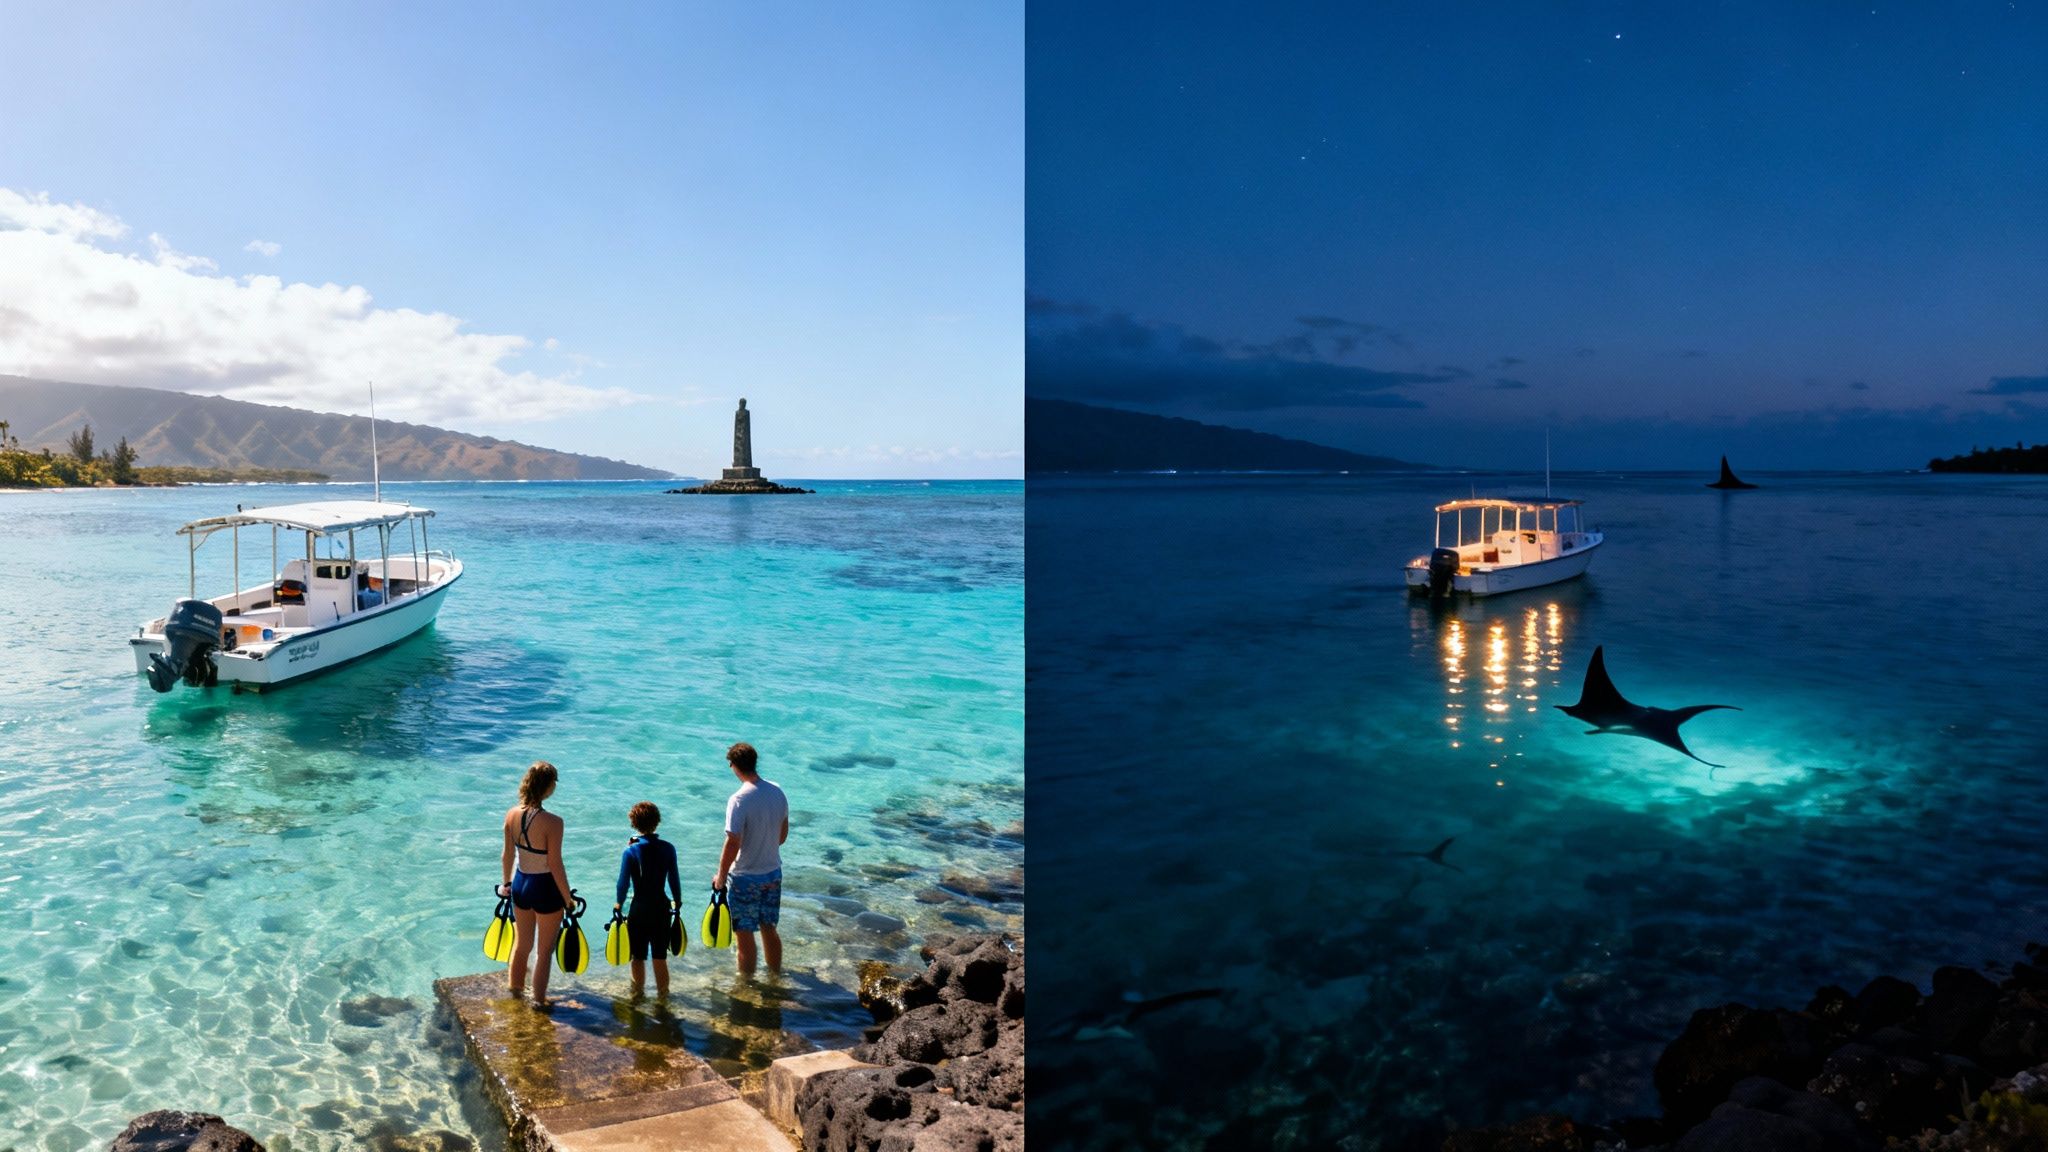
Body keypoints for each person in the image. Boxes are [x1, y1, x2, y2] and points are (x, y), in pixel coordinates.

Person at [499, 761, 573, 1007]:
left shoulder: (511, 815)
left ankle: (515, 991)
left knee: (522, 945)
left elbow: (507, 855)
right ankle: (539, 1001)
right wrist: (568, 899)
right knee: (544, 952)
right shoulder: (554, 822)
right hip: (545, 888)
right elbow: (554, 863)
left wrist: (506, 884)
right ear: (548, 787)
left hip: (520, 884)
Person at [713, 742, 789, 977]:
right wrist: (764, 846)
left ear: (733, 765)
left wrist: (721, 877)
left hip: (746, 877)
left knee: (744, 935)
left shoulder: (738, 799)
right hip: (773, 873)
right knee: (770, 929)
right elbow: (782, 835)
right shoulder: (777, 791)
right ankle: (775, 976)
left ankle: (746, 988)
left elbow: (733, 843)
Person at [614, 801, 682, 998]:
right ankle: (663, 996)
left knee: (637, 956)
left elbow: (623, 883)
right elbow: (673, 878)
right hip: (662, 908)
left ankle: (638, 995)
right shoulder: (668, 848)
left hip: (639, 909)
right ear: (657, 821)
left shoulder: (630, 851)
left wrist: (619, 903)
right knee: (660, 957)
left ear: (634, 823)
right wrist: (677, 900)